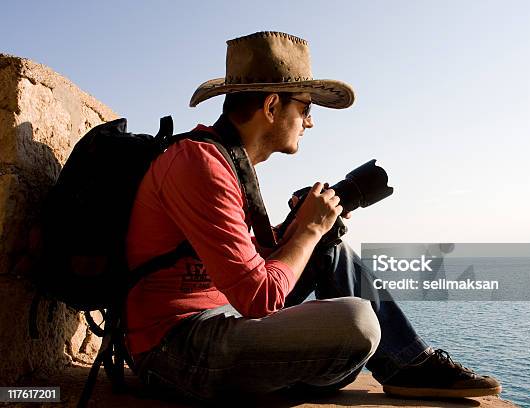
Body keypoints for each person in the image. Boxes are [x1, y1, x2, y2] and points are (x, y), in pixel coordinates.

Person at [124, 31, 501, 401]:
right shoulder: (201, 164)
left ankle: (408, 365)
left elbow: (240, 263)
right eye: (305, 108)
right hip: (173, 350)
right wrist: (307, 230)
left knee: (330, 248)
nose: (309, 122)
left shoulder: (226, 161)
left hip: (215, 317)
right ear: (272, 107)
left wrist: (302, 232)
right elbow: (259, 297)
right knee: (358, 324)